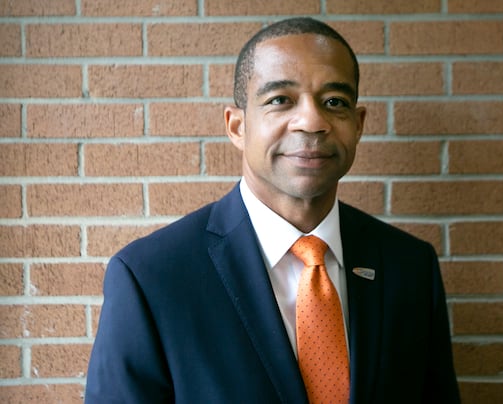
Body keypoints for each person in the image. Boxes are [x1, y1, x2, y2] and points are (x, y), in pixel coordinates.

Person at [85, 17, 460, 403]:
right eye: (280, 100)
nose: (312, 121)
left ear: (358, 124)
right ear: (237, 126)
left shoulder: (411, 268)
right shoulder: (151, 278)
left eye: (334, 102)